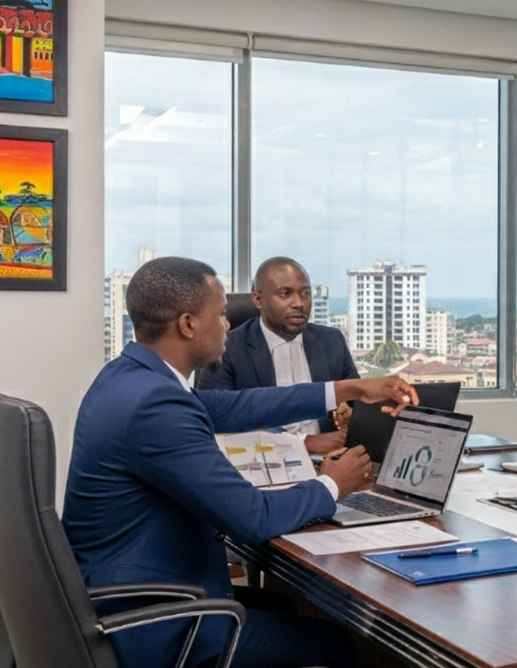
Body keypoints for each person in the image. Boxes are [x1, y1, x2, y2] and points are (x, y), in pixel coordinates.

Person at [63, 257, 418, 668]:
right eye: (220, 315)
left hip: (140, 588)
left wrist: (347, 388)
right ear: (188, 324)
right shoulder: (154, 405)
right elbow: (252, 518)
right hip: (154, 622)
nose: (228, 325)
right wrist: (332, 484)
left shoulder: (130, 377)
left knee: (287, 607)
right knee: (338, 642)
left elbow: (238, 405)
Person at [197, 256, 358, 456]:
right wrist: (303, 444)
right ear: (258, 299)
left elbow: (357, 402)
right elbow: (215, 421)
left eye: (306, 293)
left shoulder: (331, 340)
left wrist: (350, 416)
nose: (299, 303)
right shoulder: (226, 348)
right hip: (260, 465)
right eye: (285, 294)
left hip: (330, 461)